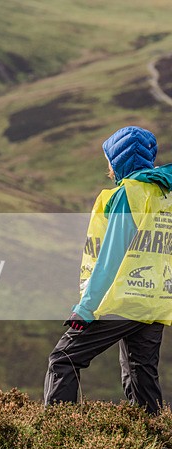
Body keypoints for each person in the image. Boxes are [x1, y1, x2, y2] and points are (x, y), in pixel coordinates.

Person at [44, 126, 172, 414]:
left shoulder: (129, 194)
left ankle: (55, 435)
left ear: (119, 160)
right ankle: (155, 444)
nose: (108, 168)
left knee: (64, 358)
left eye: (109, 160)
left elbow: (111, 257)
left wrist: (86, 308)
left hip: (122, 300)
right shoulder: (165, 194)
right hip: (155, 302)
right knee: (141, 374)